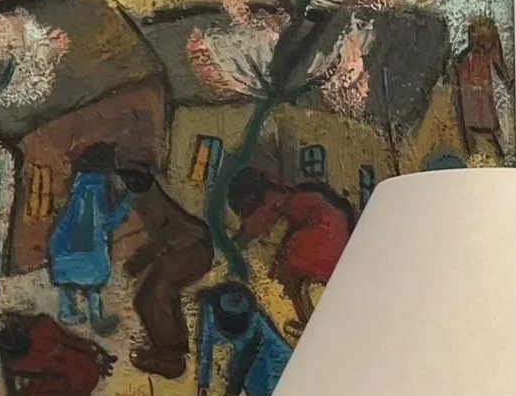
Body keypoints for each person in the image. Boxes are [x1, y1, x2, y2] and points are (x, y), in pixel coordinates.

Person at [225, 169, 355, 336]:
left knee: (291, 270)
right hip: (329, 237)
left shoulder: (291, 202)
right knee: (288, 271)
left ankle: (313, 326)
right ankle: (311, 323)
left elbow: (258, 226)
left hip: (326, 238)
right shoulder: (296, 199)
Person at [115, 161, 214, 379]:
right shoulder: (148, 196)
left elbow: (164, 234)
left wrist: (137, 263)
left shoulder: (148, 200)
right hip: (187, 247)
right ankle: (173, 346)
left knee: (151, 297)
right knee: (157, 295)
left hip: (191, 250)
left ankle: (170, 358)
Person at [47, 141, 130, 334]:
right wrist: (124, 208)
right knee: (93, 282)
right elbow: (105, 219)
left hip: (65, 244)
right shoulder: (97, 187)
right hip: (88, 249)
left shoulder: (79, 184)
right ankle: (96, 317)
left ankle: (67, 311)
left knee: (66, 278)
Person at [454, 18, 512, 163]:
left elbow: (501, 70)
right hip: (477, 122)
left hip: (481, 121)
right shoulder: (467, 62)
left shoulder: (474, 60)